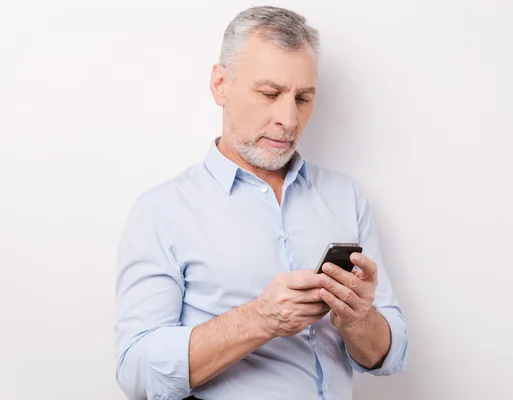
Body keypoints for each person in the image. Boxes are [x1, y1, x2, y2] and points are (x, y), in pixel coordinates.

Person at [115, 5, 408, 400]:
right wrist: (259, 320)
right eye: (270, 93)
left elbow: (390, 356)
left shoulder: (346, 196)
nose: (289, 119)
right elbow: (135, 371)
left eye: (303, 98)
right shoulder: (161, 210)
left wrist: (357, 319)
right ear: (220, 84)